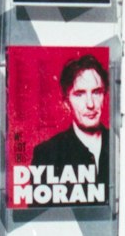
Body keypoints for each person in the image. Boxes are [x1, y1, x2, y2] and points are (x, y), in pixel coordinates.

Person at [31, 53, 110, 191]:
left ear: (105, 96)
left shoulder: (121, 144)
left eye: (97, 92)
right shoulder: (46, 154)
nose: (90, 104)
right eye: (79, 94)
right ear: (66, 103)